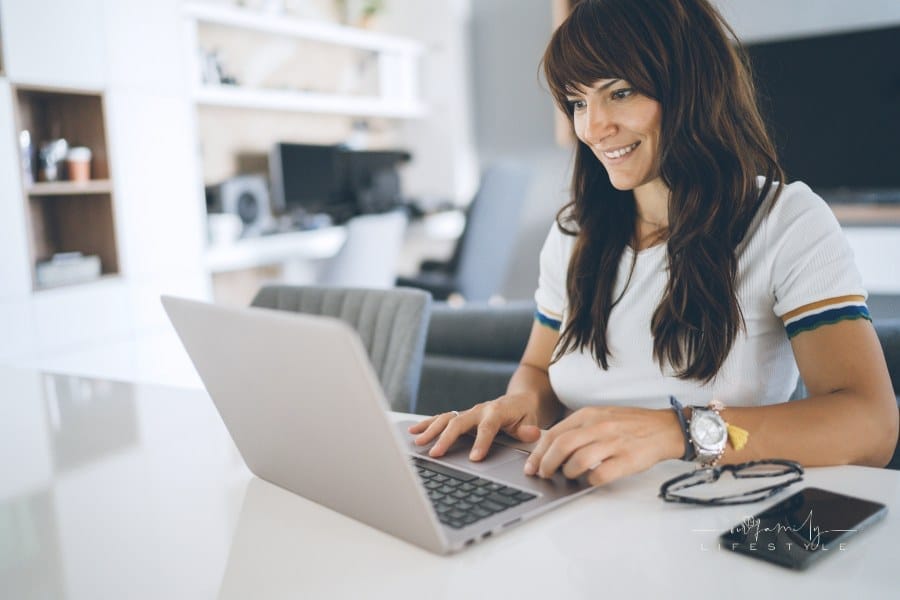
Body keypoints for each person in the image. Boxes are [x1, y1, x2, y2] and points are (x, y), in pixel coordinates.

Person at [410, 0, 897, 485]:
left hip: (721, 521)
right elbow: (537, 368)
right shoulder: (574, 234)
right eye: (578, 102)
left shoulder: (785, 221)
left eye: (620, 93)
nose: (594, 128)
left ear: (691, 87)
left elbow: (871, 427)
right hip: (579, 513)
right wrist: (521, 403)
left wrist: (679, 433)